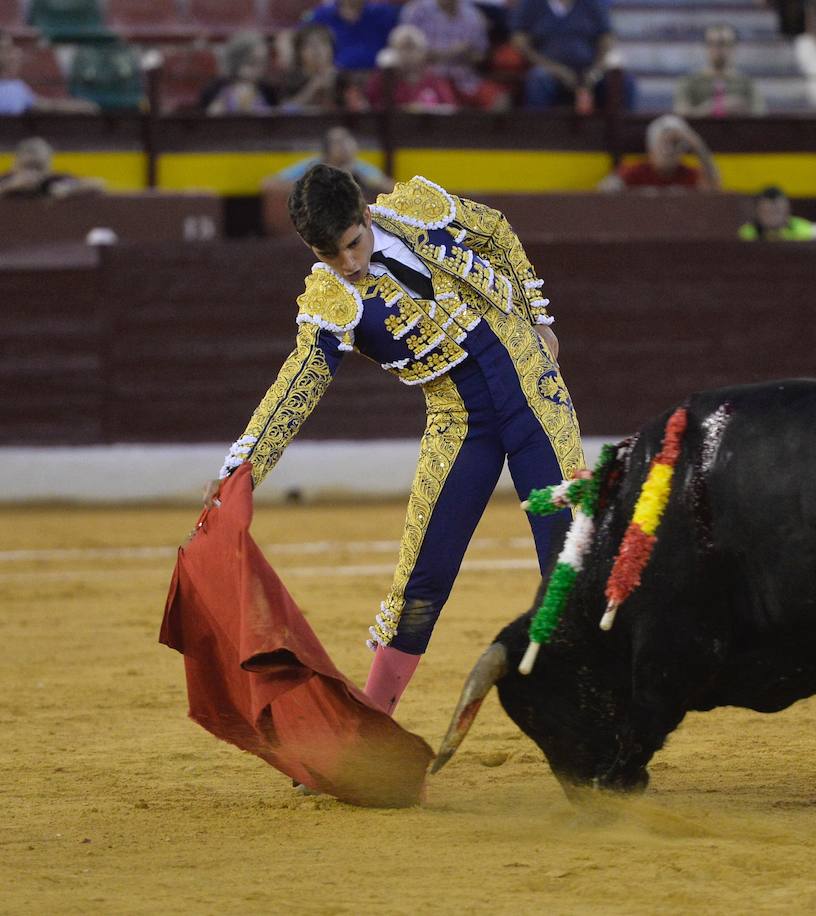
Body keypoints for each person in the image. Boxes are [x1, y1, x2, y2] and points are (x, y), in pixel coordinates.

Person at [203, 165, 583, 716]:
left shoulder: (418, 210)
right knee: (421, 578)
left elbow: (495, 230)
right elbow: (298, 383)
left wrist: (537, 316)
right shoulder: (332, 301)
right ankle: (371, 726)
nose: (349, 264)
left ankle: (594, 702)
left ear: (364, 216)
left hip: (534, 395)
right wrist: (244, 466)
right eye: (329, 255)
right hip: (461, 425)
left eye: (354, 244)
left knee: (568, 552)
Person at [511, 0, 631, 112]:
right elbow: (519, 41)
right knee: (538, 79)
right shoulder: (532, 4)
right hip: (548, 67)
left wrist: (595, 70)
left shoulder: (592, 3)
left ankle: (624, 131)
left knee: (624, 81)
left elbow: (607, 38)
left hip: (589, 68)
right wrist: (554, 69)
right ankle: (538, 130)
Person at [399, 0, 505, 109]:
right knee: (440, 99)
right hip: (428, 79)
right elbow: (406, 51)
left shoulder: (473, 15)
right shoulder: (417, 11)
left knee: (500, 100)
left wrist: (468, 55)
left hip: (464, 79)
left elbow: (480, 56)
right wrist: (451, 52)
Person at [600, 114, 721, 192]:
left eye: (675, 144)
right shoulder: (634, 171)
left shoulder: (690, 174)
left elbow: (715, 191)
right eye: (663, 144)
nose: (669, 151)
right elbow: (603, 193)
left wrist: (698, 146)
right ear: (651, 149)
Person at [266, 126, 394, 196]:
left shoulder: (359, 167)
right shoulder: (313, 166)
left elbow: (391, 187)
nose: (345, 146)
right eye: (339, 142)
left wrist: (371, 182)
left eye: (347, 140)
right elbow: (268, 184)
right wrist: (312, 186)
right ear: (327, 149)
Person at [674, 24, 764, 117]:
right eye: (713, 43)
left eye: (724, 44)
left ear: (734, 47)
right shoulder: (689, 82)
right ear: (706, 47)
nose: (719, 49)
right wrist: (716, 107)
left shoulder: (747, 84)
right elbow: (681, 116)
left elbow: (759, 115)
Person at [0, 30, 98, 115]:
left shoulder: (16, 88)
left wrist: (80, 107)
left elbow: (49, 106)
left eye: (11, 49)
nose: (15, 54)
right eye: (7, 50)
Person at [365, 25, 459, 112]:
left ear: (423, 53)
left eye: (411, 48)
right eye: (400, 48)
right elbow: (369, 108)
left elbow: (450, 110)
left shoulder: (436, 80)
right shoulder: (383, 79)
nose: (406, 54)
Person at [279, 24, 368, 113]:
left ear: (332, 50)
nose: (317, 50)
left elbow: (363, 110)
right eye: (310, 44)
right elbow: (283, 112)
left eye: (323, 43)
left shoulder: (342, 78)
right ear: (299, 52)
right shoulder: (291, 78)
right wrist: (312, 87)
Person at [308, 0, 401, 70]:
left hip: (377, 78)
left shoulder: (385, 13)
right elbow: (300, 40)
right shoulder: (321, 16)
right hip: (335, 78)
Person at [200, 32, 278, 115]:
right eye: (252, 63)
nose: (259, 68)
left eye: (262, 62)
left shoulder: (267, 90)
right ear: (237, 61)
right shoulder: (214, 89)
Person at [0, 137, 104, 198]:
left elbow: (98, 183)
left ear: (48, 165)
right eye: (28, 167)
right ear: (15, 163)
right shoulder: (6, 178)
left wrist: (69, 189)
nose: (32, 173)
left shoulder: (54, 179)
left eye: (37, 167)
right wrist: (9, 187)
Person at [738, 186, 816, 240]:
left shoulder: (803, 230)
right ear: (757, 212)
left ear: (787, 210)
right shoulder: (747, 234)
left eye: (778, 211)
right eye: (767, 212)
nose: (773, 217)